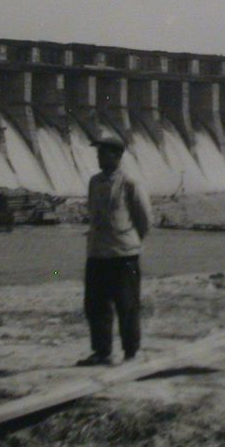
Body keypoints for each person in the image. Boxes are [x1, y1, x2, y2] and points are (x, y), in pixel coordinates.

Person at [78, 129, 153, 366]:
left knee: (128, 304)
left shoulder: (130, 183)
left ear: (116, 156)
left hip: (124, 255)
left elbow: (145, 219)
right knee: (96, 305)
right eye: (98, 153)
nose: (98, 157)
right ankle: (102, 351)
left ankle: (131, 352)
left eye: (103, 153)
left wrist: (130, 241)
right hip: (98, 253)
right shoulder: (94, 182)